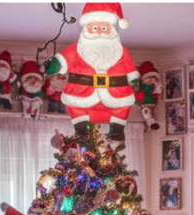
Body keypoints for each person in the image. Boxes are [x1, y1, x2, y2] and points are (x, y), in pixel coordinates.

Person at [45, 2, 138, 140]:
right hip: (81, 92)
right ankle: (81, 130)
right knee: (76, 106)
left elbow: (130, 68)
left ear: (112, 29)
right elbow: (63, 59)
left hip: (116, 92)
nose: (99, 31)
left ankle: (117, 129)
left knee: (122, 107)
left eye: (104, 28)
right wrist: (56, 65)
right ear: (86, 28)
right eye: (94, 28)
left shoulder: (121, 50)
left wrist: (133, 79)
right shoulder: (76, 49)